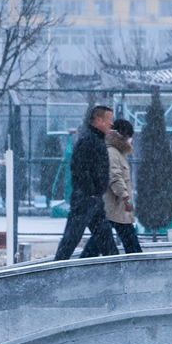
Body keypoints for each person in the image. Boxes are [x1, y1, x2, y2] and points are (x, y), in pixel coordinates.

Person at [54, 105, 119, 261]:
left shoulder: (95, 139)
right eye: (109, 120)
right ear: (98, 119)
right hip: (86, 199)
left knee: (106, 240)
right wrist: (90, 192)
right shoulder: (88, 139)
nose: (112, 124)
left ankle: (117, 270)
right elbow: (79, 167)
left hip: (93, 199)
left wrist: (95, 194)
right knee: (71, 239)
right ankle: (55, 272)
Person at [104, 118, 143, 254]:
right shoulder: (112, 153)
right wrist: (126, 198)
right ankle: (139, 268)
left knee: (101, 240)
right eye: (129, 136)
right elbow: (115, 178)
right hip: (116, 207)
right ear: (123, 135)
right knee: (132, 245)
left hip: (116, 209)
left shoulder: (117, 153)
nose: (130, 140)